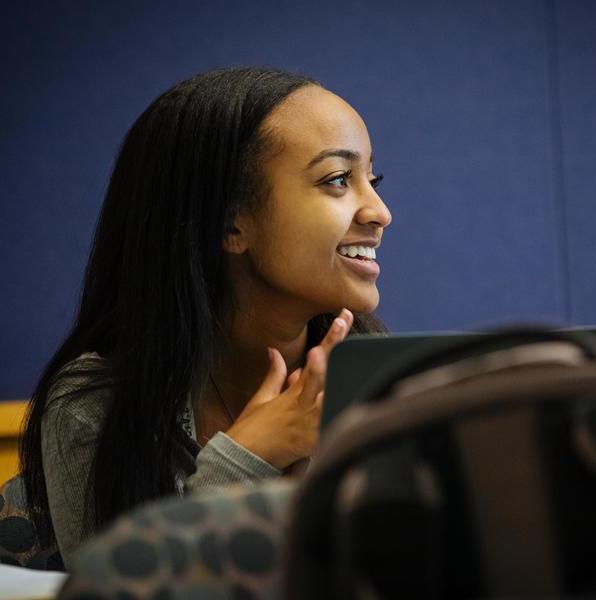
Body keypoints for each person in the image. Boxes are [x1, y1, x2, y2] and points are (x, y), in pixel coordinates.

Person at [16, 66, 393, 568]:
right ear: (229, 222)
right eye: (338, 179)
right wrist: (244, 458)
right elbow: (119, 587)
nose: (379, 211)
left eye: (373, 178)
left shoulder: (377, 379)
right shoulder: (94, 404)